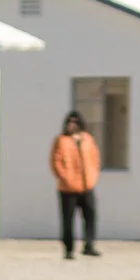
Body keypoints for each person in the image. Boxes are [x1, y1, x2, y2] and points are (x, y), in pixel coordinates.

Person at [51, 107, 102, 259]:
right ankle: (68, 249)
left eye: (74, 122)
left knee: (90, 216)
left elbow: (95, 159)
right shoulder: (61, 140)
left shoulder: (87, 139)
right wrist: (65, 178)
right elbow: (55, 162)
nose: (71, 125)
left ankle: (89, 245)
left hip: (87, 185)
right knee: (68, 220)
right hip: (68, 188)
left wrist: (92, 177)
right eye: (69, 122)